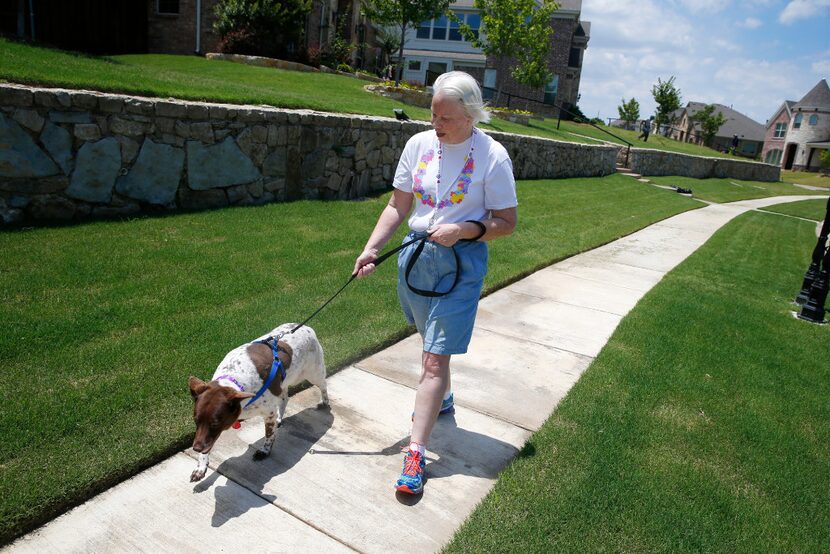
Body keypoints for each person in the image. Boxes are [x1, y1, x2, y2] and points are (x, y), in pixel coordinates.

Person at [352, 71, 518, 495]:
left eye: (446, 118)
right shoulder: (418, 145)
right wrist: (372, 248)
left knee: (432, 360)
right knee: (428, 339)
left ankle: (415, 454)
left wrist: (464, 230)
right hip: (416, 256)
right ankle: (441, 399)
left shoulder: (493, 156)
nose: (436, 124)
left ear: (471, 116)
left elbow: (507, 223)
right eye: (433, 114)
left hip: (461, 263)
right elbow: (398, 204)